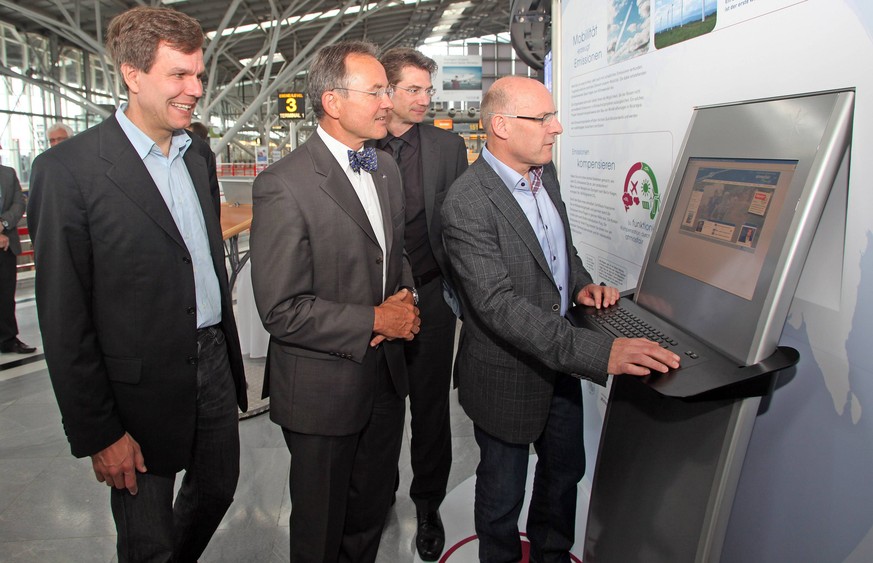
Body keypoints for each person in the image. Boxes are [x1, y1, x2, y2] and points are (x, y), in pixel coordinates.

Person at [27, 7, 248, 562]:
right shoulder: (68, 170)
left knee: (218, 490)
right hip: (135, 389)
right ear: (132, 74)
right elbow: (63, 316)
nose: (195, 89)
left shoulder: (198, 155)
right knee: (146, 538)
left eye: (199, 75)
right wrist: (99, 431)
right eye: (180, 75)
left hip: (212, 362)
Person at [441, 76, 681, 563]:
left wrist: (581, 285)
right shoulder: (466, 203)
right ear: (502, 126)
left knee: (563, 474)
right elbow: (498, 306)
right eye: (545, 118)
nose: (559, 128)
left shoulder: (543, 174)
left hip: (560, 368)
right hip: (506, 375)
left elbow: (558, 250)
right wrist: (601, 352)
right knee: (503, 493)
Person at [250, 41, 420, 563]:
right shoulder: (284, 184)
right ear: (332, 101)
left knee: (369, 514)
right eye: (376, 91)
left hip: (384, 382)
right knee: (321, 530)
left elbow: (394, 255)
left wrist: (409, 297)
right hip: (322, 392)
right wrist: (376, 319)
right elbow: (281, 309)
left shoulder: (385, 169)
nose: (387, 102)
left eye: (388, 90)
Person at [372, 46, 468, 561]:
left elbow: (457, 226)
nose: (423, 99)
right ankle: (378, 490)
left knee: (431, 408)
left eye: (428, 90)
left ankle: (428, 504)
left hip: (431, 295)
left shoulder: (448, 148)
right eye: (412, 89)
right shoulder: (360, 144)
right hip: (374, 301)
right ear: (384, 91)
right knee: (380, 404)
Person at [0, 164, 35, 355]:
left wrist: (3, 223)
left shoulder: (8, 173)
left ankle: (8, 339)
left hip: (6, 245)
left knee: (6, 296)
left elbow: (19, 203)